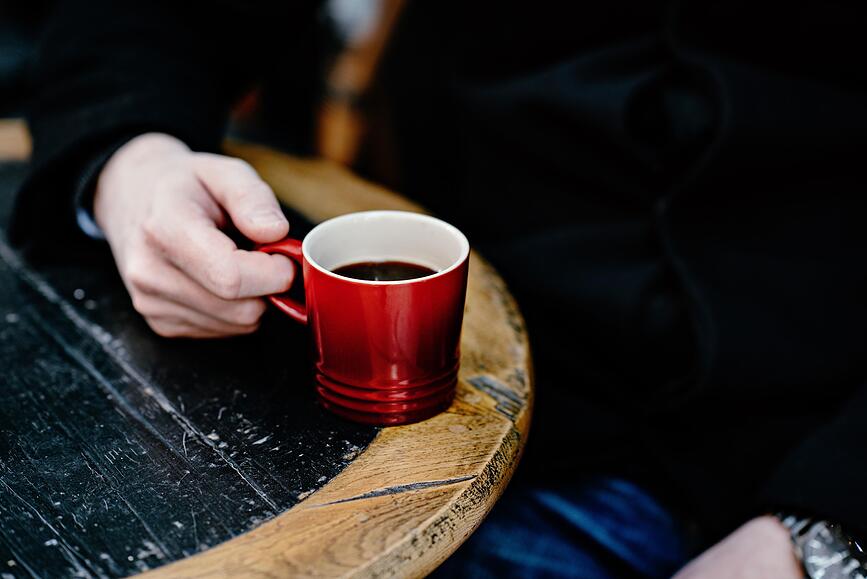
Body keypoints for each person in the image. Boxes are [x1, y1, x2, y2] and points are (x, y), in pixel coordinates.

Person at [12, 1, 867, 577]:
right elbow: (152, 19)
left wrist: (816, 536)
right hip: (476, 428)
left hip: (815, 449)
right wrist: (129, 164)